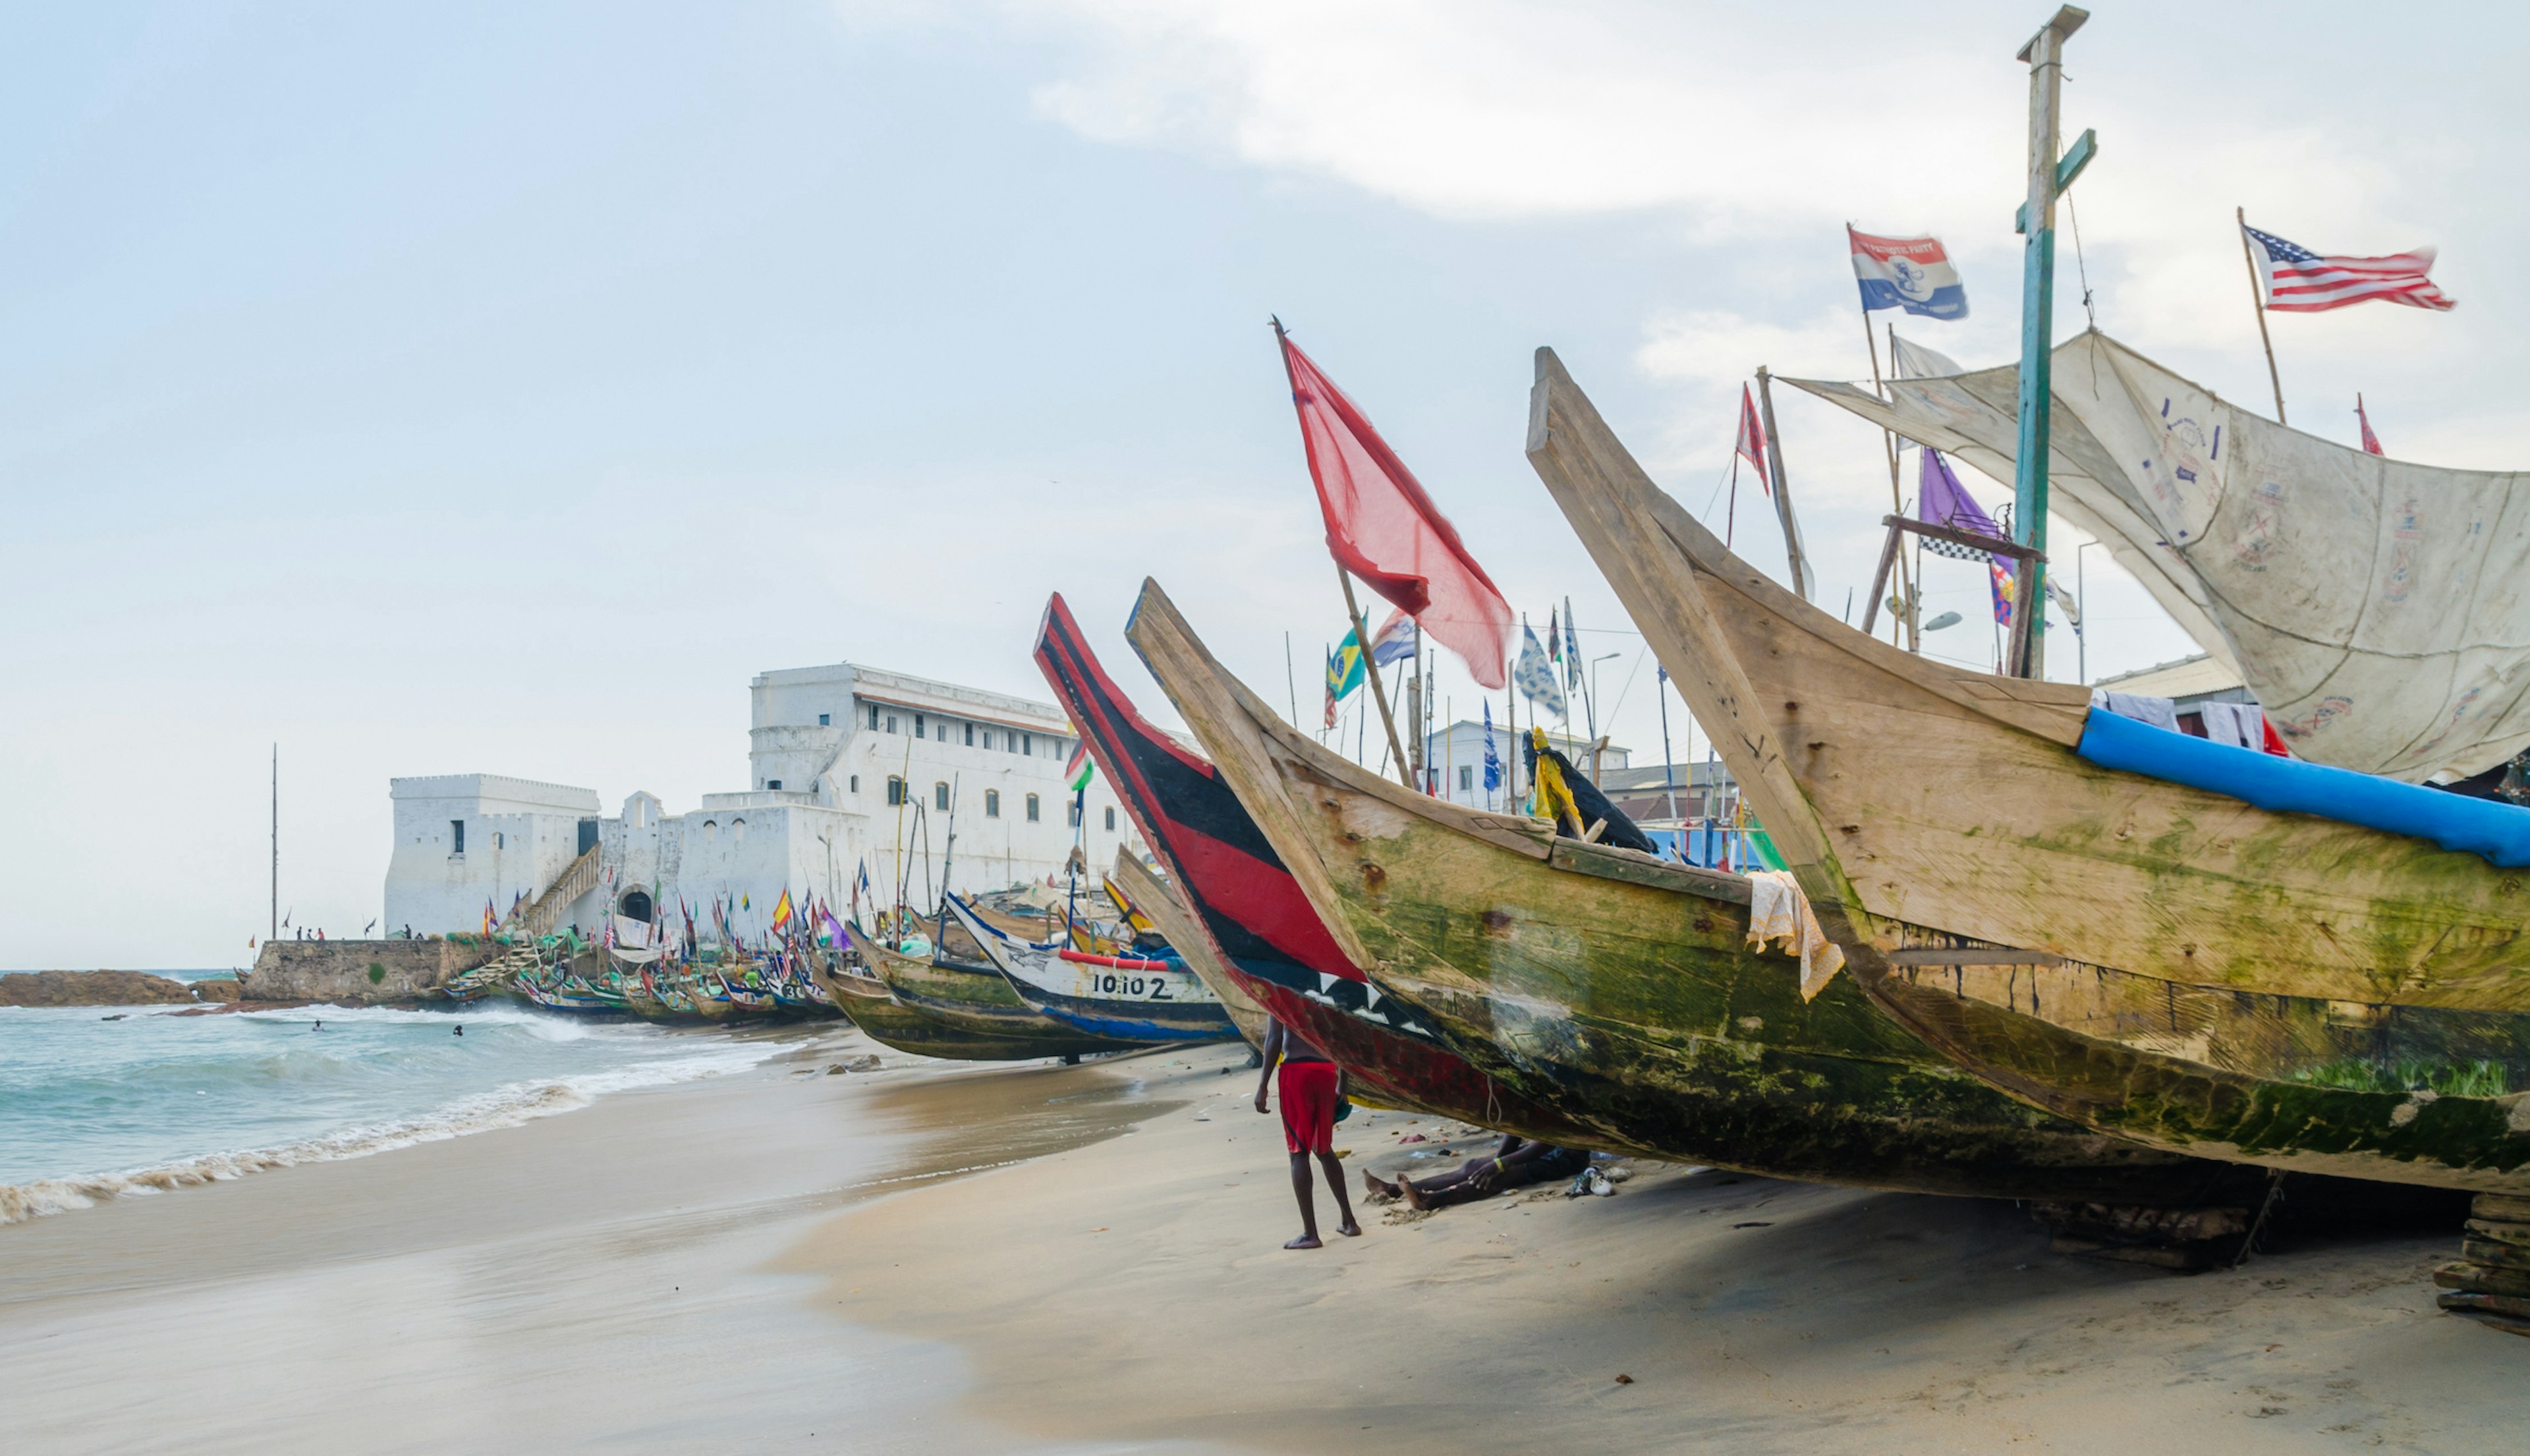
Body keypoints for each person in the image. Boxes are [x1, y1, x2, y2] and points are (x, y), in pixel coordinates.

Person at [1253, 1015, 1359, 1250]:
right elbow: (1341, 1040)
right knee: (1323, 1149)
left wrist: (1262, 1086)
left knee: (1298, 1152)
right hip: (1326, 1071)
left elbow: (1274, 1039)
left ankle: (1310, 1234)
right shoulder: (1321, 995)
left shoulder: (1280, 990)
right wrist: (1344, 1082)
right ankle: (1350, 1222)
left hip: (1297, 1073)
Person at [1364, 1136, 1592, 1211]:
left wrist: (1501, 1165)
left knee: (1504, 1176)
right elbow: (1515, 1133)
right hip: (1547, 1149)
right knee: (1474, 1166)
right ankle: (1393, 1191)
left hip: (1566, 1158)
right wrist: (1496, 1161)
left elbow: (1549, 1141)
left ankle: (1430, 1200)